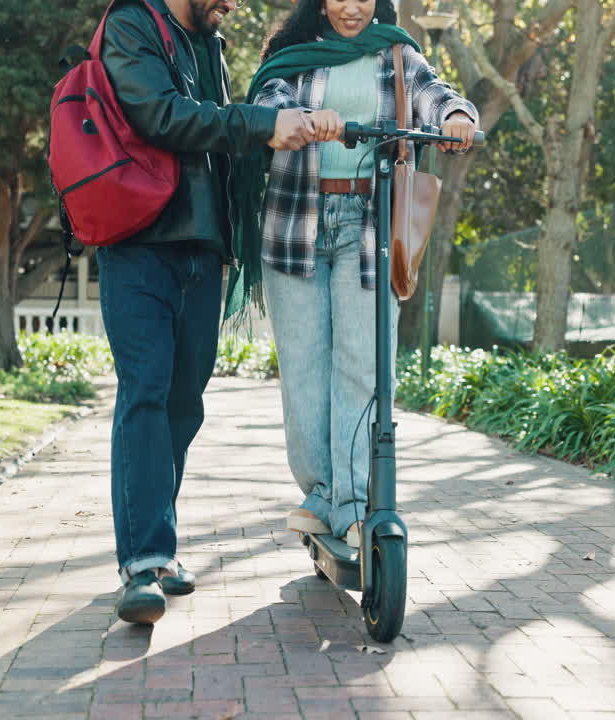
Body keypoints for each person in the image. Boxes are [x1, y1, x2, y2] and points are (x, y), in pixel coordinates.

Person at [98, 0, 316, 624]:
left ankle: (157, 546)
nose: (234, 4)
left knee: (183, 402)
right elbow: (161, 116)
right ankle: (141, 563)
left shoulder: (210, 44)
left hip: (202, 245)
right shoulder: (131, 24)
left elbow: (221, 143)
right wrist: (262, 123)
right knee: (145, 391)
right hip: (138, 243)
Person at [235, 0, 477, 547]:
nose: (352, 7)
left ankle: (351, 503)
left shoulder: (397, 54)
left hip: (368, 226)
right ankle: (320, 493)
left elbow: (434, 93)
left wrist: (456, 117)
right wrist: (301, 120)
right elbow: (268, 102)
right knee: (304, 369)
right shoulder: (294, 55)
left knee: (361, 367)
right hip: (295, 223)